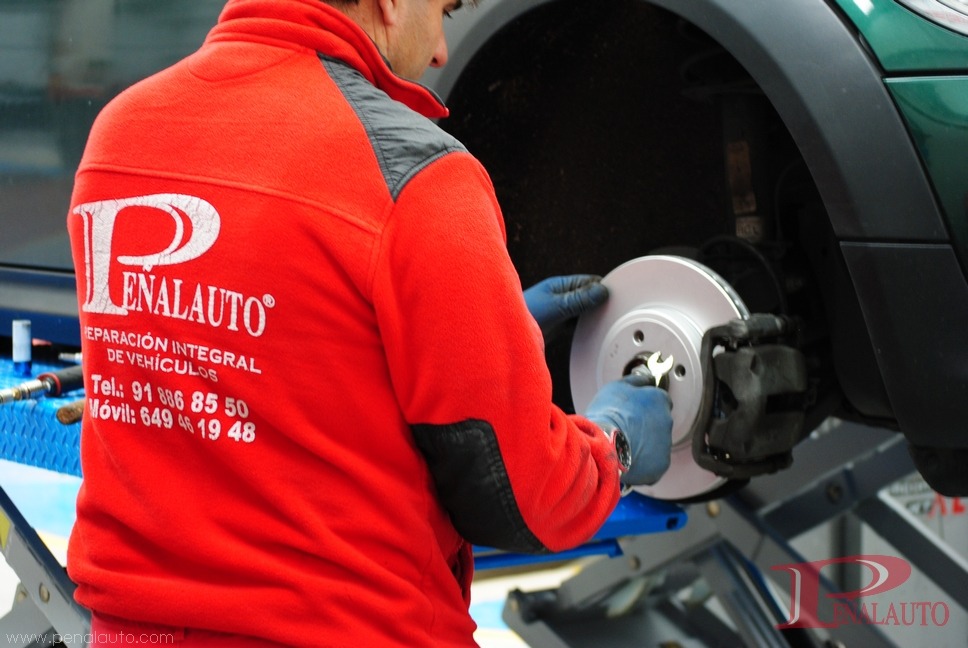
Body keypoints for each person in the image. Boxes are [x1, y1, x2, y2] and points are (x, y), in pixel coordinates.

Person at [65, 0, 674, 645]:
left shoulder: (120, 132)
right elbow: (528, 498)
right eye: (444, 8)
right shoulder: (415, 173)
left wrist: (473, 332)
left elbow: (255, 351)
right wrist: (615, 442)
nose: (442, 49)